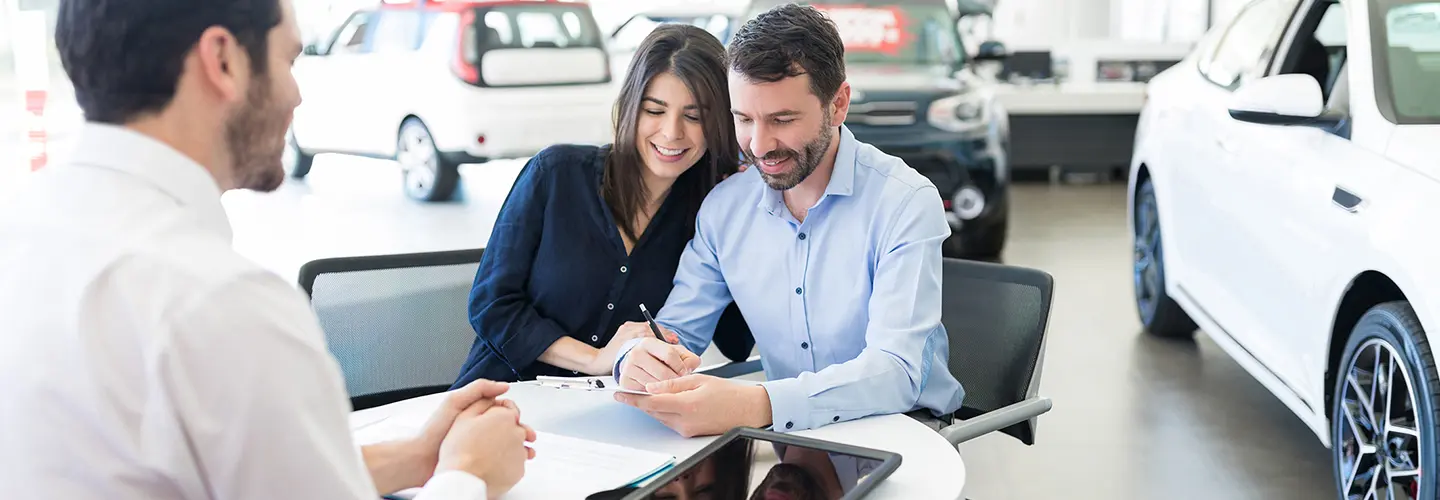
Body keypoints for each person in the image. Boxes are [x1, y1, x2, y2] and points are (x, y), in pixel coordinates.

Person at [0, 1, 535, 498]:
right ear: (223, 61)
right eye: (288, 59)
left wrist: (419, 458)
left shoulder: (25, 227)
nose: (297, 95)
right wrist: (468, 477)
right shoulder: (221, 301)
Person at [608, 4, 966, 437]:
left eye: (782, 120)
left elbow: (896, 371)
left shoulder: (905, 202)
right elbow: (678, 332)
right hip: (789, 434)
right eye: (744, 119)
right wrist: (640, 357)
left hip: (904, 427)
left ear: (838, 104)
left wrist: (758, 403)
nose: (759, 145)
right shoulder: (725, 208)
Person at [452, 24, 749, 386]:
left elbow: (736, 343)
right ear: (629, 107)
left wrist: (749, 210)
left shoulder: (708, 213)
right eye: (655, 111)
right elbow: (491, 306)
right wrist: (596, 359)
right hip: (502, 398)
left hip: (613, 417)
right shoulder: (557, 174)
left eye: (694, 116)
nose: (672, 132)